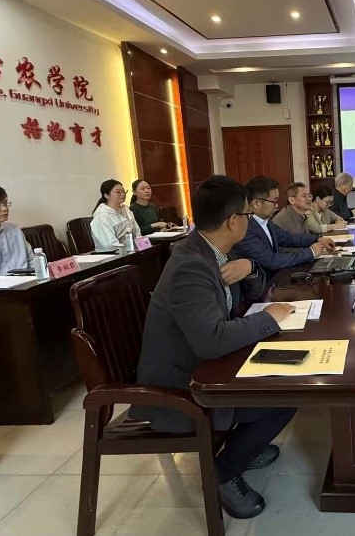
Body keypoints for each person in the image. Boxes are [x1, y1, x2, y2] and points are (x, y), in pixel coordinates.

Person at [131, 175, 297, 519]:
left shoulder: (214, 248)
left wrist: (250, 267)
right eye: (247, 215)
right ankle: (223, 472)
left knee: (280, 379)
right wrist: (270, 318)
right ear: (234, 220)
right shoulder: (190, 266)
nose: (249, 221)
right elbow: (212, 340)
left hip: (202, 364)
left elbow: (252, 292)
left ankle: (245, 448)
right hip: (180, 385)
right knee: (283, 398)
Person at [232, 176, 336, 281]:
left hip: (277, 278)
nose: (277, 205)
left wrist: (318, 239)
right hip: (263, 285)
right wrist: (311, 252)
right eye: (274, 201)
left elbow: (289, 238)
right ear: (256, 203)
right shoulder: (246, 227)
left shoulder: (266, 222)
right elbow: (271, 260)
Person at [91, 179, 141, 250]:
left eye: (124, 191)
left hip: (132, 251)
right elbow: (111, 244)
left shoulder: (126, 209)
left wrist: (143, 247)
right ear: (106, 195)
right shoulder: (101, 216)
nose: (123, 194)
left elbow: (137, 232)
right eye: (118, 192)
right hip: (112, 254)